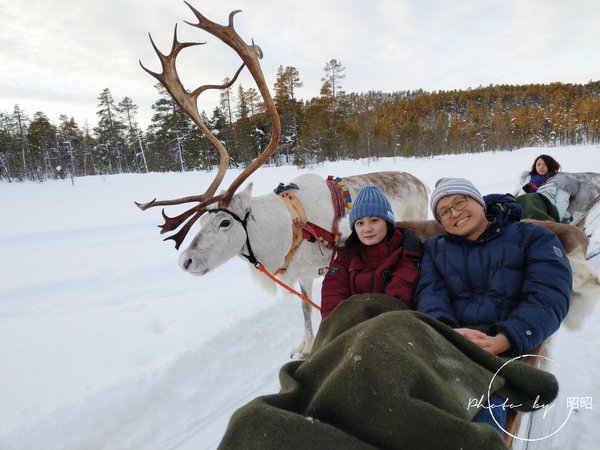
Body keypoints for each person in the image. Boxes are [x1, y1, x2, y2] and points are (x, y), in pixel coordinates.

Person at [415, 177, 572, 432]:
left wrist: (506, 337)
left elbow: (549, 294)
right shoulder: (435, 248)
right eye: (444, 212)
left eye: (459, 201)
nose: (455, 213)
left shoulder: (532, 237)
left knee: (479, 414)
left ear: (478, 200)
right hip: (450, 344)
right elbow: (430, 293)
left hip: (504, 351)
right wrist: (445, 331)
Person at [320, 184, 422, 320]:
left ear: (387, 222)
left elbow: (400, 293)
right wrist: (335, 324)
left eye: (374, 221)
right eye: (360, 223)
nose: (367, 229)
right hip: (352, 328)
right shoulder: (346, 257)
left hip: (396, 325)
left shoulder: (406, 250)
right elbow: (332, 292)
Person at [515, 154, 573, 223]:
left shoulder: (560, 181)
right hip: (526, 210)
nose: (541, 167)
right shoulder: (529, 179)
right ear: (535, 167)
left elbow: (562, 201)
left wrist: (557, 219)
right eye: (538, 164)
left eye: (545, 164)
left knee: (532, 197)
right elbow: (520, 197)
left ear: (550, 165)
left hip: (548, 212)